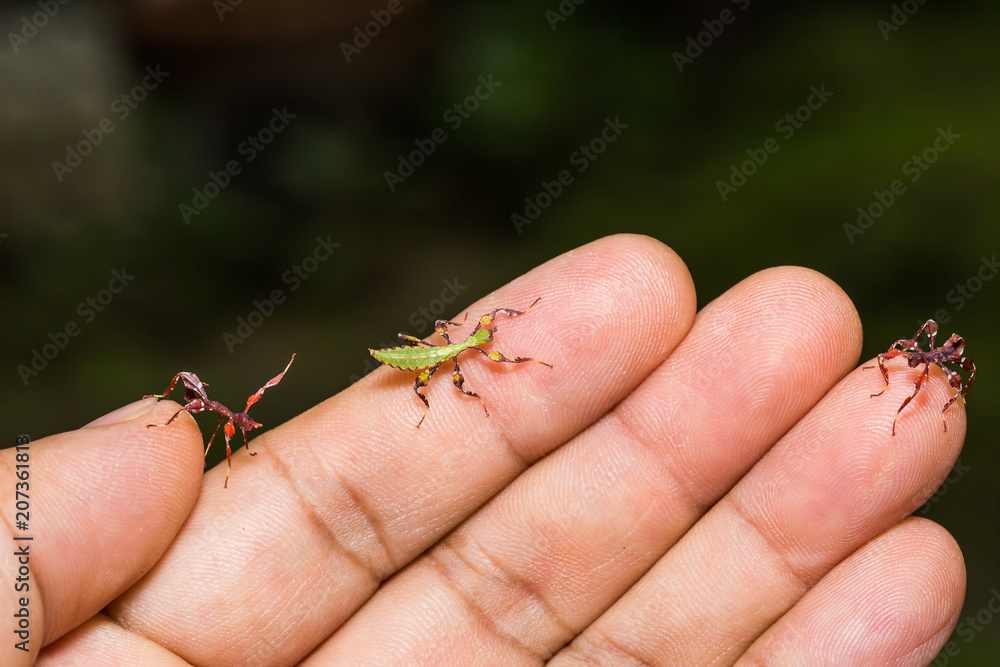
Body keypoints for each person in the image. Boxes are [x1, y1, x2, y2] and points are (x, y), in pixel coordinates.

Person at [9, 235, 965, 665]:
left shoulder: (473, 351)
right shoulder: (449, 361)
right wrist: (450, 362)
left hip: (437, 354)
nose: (493, 344)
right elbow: (453, 356)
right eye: (489, 338)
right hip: (426, 358)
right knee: (444, 374)